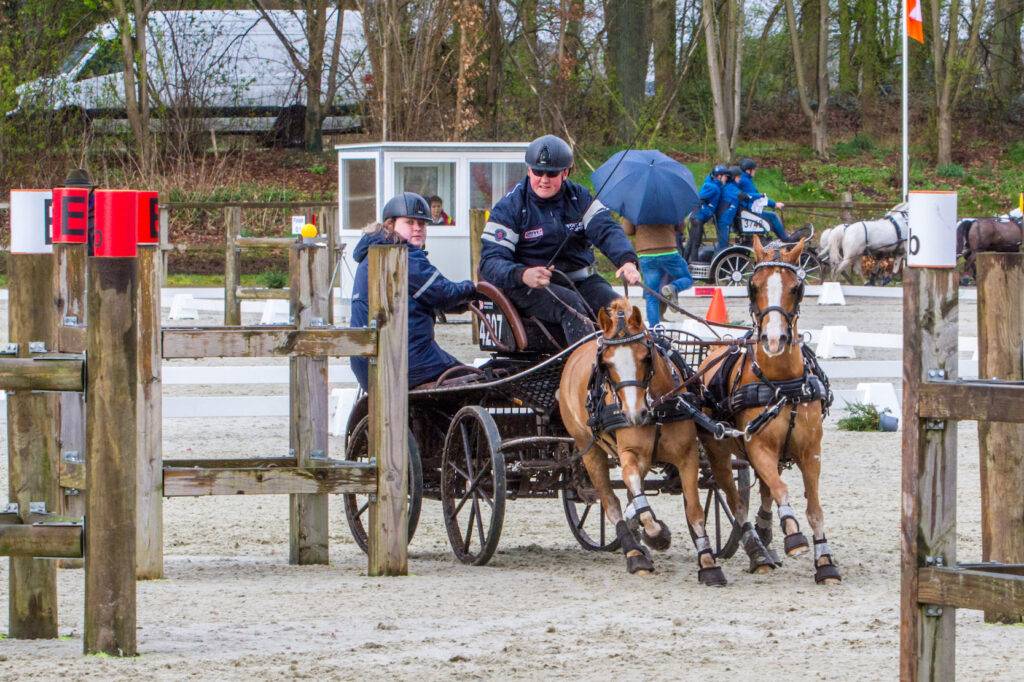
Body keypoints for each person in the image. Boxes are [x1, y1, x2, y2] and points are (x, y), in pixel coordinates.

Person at [479, 134, 642, 345]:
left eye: (552, 173)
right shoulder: (509, 208)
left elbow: (607, 229)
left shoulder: (580, 197)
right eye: (538, 172)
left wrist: (627, 260)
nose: (544, 179)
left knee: (622, 310)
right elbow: (490, 262)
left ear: (565, 172)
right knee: (573, 309)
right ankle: (587, 365)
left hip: (582, 281)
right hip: (531, 287)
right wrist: (522, 274)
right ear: (528, 170)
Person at [350, 192, 475, 390]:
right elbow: (442, 293)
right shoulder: (401, 254)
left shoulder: (374, 250)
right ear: (390, 224)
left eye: (422, 224)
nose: (417, 228)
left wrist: (463, 305)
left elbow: (421, 298)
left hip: (367, 361)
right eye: (409, 222)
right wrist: (475, 288)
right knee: (476, 381)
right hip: (402, 358)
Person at [622, 219, 693, 325]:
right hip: (668, 251)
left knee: (651, 294)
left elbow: (628, 230)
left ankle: (655, 330)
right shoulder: (670, 207)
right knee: (687, 279)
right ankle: (673, 287)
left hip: (646, 253)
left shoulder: (635, 209)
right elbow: (680, 227)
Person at [737, 158, 810, 242]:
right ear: (748, 171)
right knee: (773, 216)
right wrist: (774, 204)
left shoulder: (743, 179)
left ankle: (783, 237)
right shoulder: (745, 182)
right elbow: (757, 198)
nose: (755, 171)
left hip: (746, 211)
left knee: (771, 216)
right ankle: (786, 239)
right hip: (748, 212)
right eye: (754, 169)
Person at [684, 164, 730, 260]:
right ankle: (694, 263)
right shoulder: (713, 187)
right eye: (725, 176)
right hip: (698, 218)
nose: (726, 179)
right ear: (719, 176)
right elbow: (699, 197)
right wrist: (704, 207)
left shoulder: (714, 184)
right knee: (696, 244)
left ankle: (685, 261)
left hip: (698, 218)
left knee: (691, 242)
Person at [714, 166, 745, 254]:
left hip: (725, 221)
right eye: (738, 177)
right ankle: (715, 261)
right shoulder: (731, 188)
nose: (740, 179)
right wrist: (760, 195)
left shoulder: (729, 187)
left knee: (723, 244)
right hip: (724, 221)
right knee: (723, 246)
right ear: (733, 177)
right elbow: (744, 196)